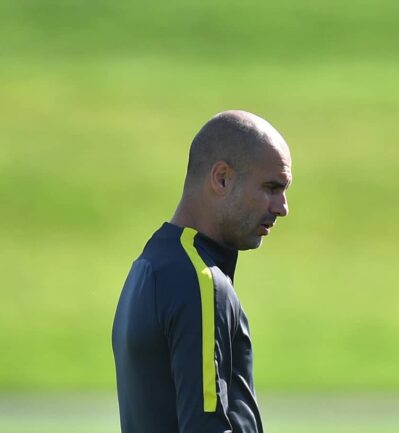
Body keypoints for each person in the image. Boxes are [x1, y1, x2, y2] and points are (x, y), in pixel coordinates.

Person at [112, 110, 292, 433]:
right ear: (221, 178)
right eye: (271, 188)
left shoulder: (149, 265)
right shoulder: (200, 280)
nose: (282, 207)